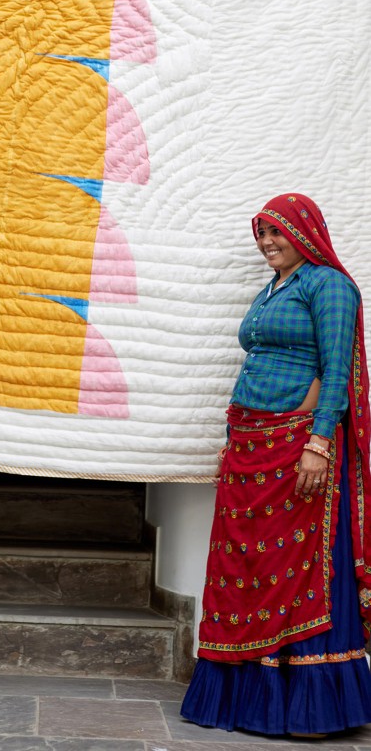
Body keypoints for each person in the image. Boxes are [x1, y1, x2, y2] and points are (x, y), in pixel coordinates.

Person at [181, 193, 371, 736]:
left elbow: (336, 369)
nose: (266, 242)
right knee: (247, 571)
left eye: (276, 232)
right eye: (261, 233)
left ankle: (307, 706)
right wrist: (230, 442)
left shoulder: (328, 285)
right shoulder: (271, 289)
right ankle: (244, 700)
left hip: (296, 444)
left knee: (297, 569)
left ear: (305, 233)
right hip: (249, 445)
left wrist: (319, 442)